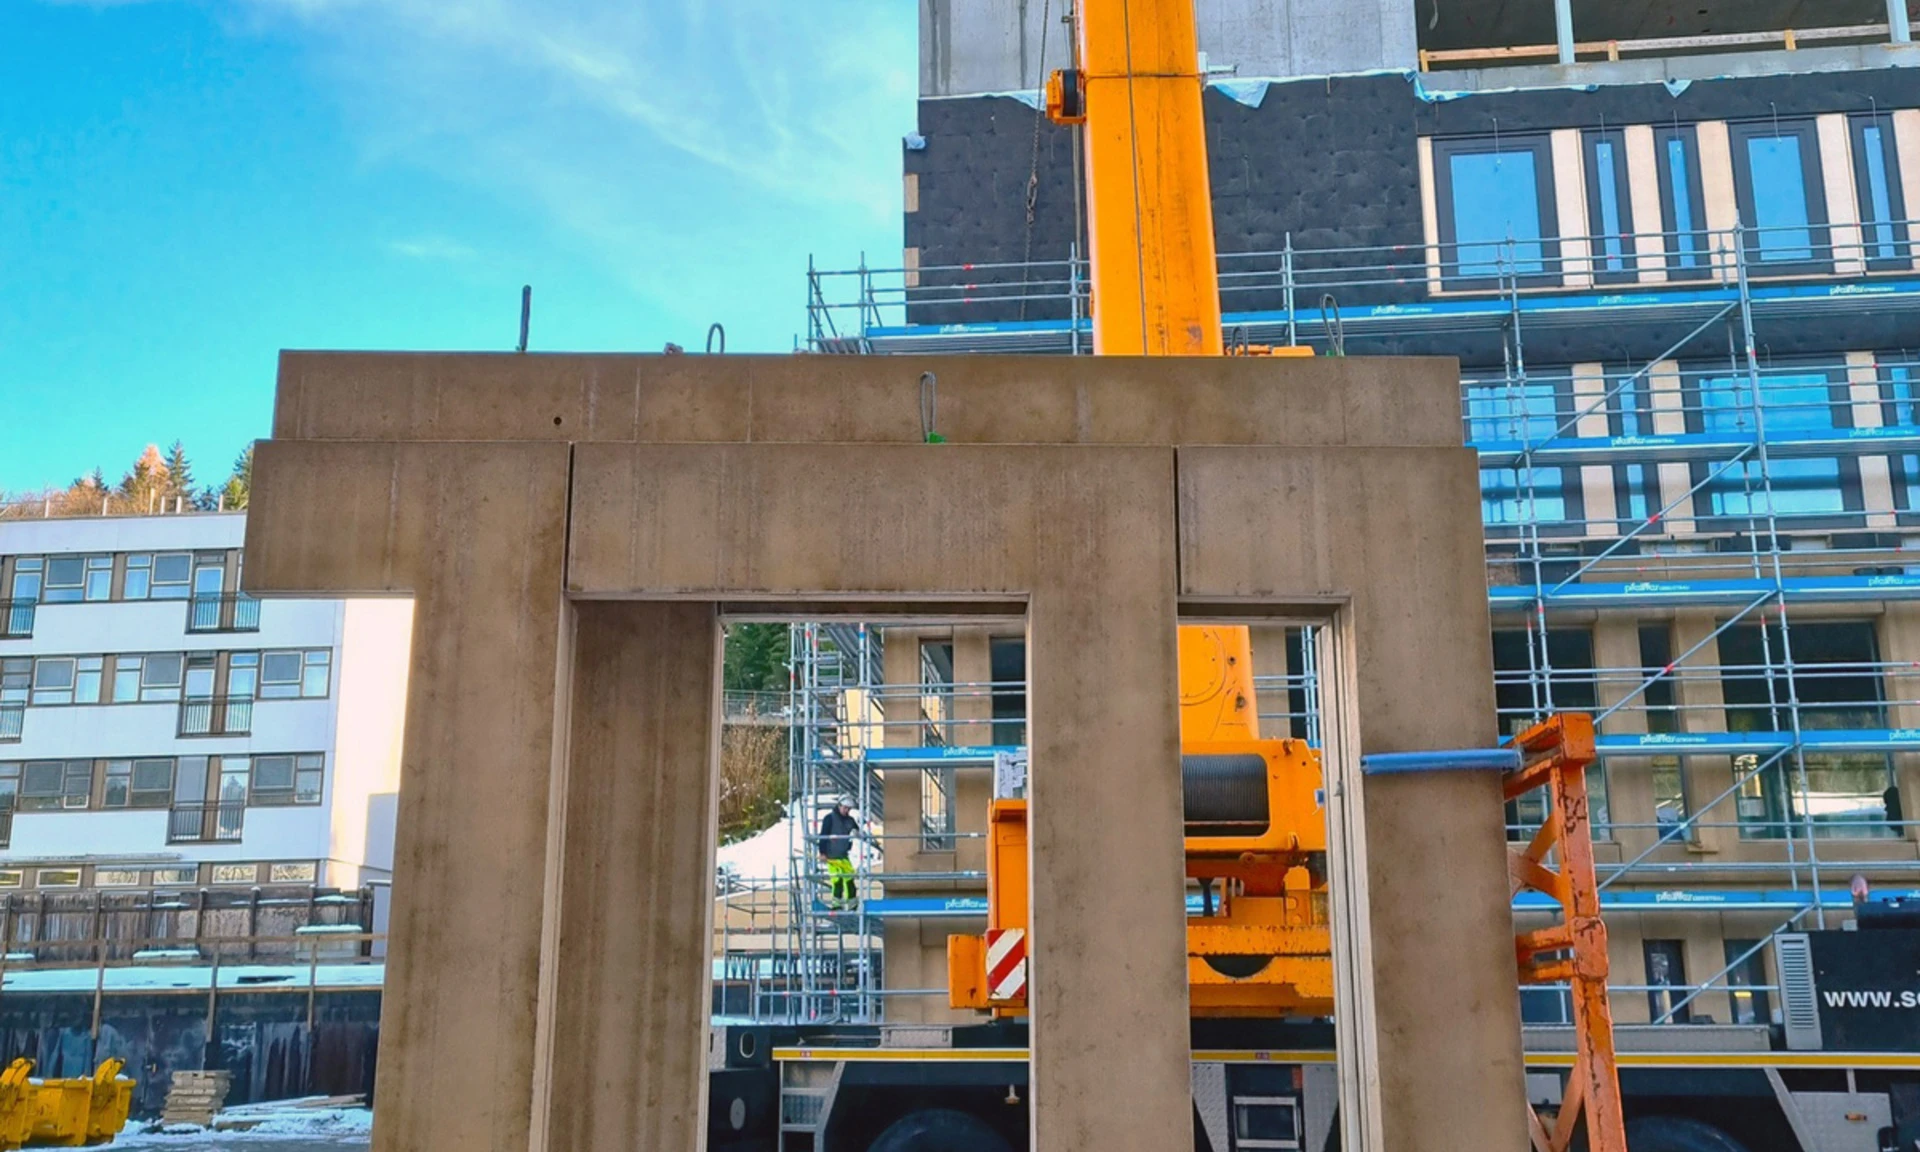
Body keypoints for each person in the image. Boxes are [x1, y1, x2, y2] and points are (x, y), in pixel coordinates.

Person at [818, 798, 862, 910]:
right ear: (839, 806)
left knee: (849, 880)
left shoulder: (850, 820)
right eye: (845, 808)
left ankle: (852, 905)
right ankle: (837, 905)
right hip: (832, 857)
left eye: (849, 809)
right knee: (837, 881)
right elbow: (823, 836)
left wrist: (856, 832)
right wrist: (822, 853)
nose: (847, 811)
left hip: (843, 856)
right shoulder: (830, 819)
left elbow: (857, 831)